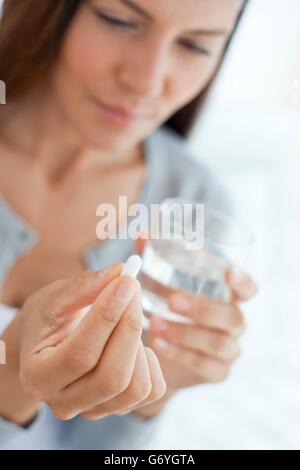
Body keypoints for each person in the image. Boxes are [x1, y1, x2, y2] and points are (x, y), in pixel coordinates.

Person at [0, 0, 257, 450]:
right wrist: (14, 373)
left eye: (196, 46)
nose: (147, 82)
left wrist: (151, 395)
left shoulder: (194, 202)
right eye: (118, 21)